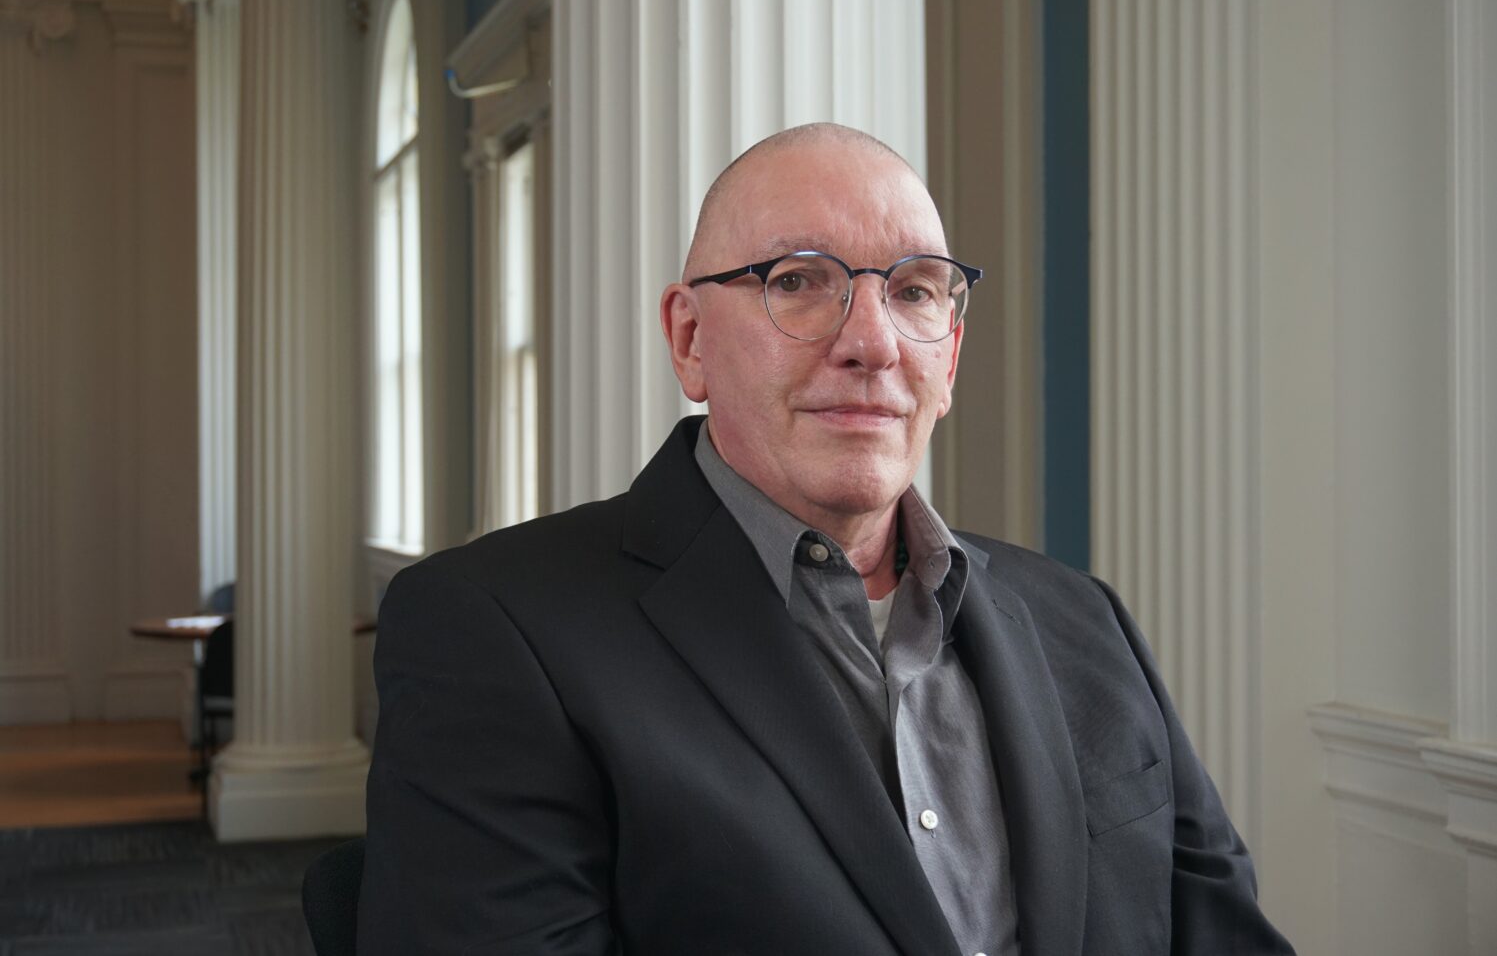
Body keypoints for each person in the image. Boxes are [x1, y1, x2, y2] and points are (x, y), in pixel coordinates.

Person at [358, 123, 1295, 955]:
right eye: (797, 282)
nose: (871, 343)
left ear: (948, 358)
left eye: (915, 291)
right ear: (689, 340)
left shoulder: (1082, 618)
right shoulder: (492, 630)